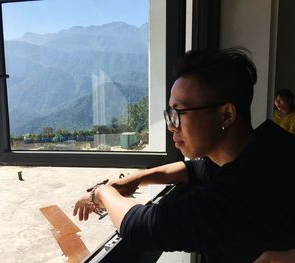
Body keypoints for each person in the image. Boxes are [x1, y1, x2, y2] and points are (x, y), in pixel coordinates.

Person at [73, 48, 295, 262]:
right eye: (169, 114)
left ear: (226, 115)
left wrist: (101, 192)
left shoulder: (248, 184)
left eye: (179, 113)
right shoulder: (268, 147)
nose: (171, 126)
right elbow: (194, 169)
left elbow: (144, 226)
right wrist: (137, 178)